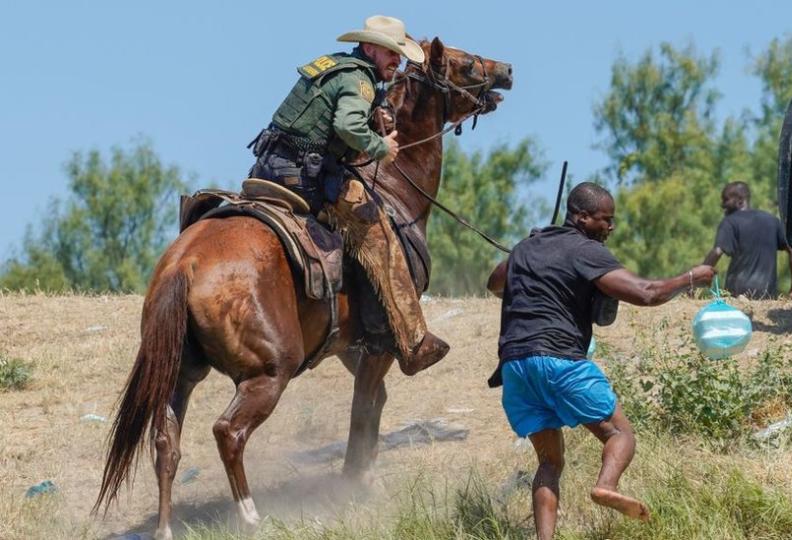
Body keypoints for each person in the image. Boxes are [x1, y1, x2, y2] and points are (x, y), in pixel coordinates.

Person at [486, 182, 715, 539]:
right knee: (620, 434)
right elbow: (646, 293)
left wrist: (528, 251)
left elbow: (495, 282)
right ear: (581, 217)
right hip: (560, 360)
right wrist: (691, 277)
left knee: (548, 462)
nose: (610, 227)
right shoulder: (586, 250)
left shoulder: (528, 245)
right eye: (605, 219)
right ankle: (606, 485)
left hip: (515, 367)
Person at [247, 15, 448, 372]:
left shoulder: (335, 67)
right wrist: (380, 146)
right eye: (391, 53)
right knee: (380, 233)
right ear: (369, 47)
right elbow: (346, 124)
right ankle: (414, 340)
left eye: (399, 55)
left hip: (268, 169)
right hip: (307, 179)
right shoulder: (361, 80)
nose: (397, 61)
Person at [702, 181, 792, 299]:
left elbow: (717, 252)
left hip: (737, 293)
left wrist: (695, 279)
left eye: (726, 200)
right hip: (767, 296)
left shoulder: (730, 222)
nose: (722, 205)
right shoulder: (772, 221)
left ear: (740, 200)